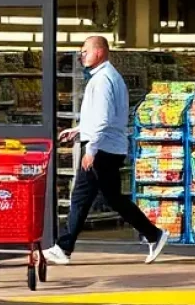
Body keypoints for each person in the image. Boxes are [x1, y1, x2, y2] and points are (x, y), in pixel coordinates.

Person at [44, 35, 169, 266]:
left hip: (101, 147)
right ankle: (154, 234)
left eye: (85, 51)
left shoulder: (102, 80)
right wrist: (79, 130)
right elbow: (103, 117)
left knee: (81, 196)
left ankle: (64, 247)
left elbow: (102, 119)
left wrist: (91, 149)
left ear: (99, 52)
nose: (81, 56)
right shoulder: (110, 77)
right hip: (109, 145)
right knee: (113, 198)